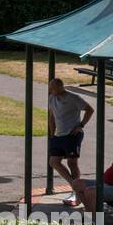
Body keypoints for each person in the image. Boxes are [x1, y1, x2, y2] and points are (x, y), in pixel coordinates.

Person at [46, 77, 93, 206]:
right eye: (50, 88)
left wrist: (81, 125)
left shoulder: (73, 98)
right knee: (53, 161)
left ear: (61, 87)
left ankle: (76, 192)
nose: (51, 90)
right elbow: (51, 117)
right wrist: (52, 134)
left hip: (72, 135)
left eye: (53, 88)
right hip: (58, 135)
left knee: (72, 163)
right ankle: (76, 187)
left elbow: (90, 109)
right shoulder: (51, 98)